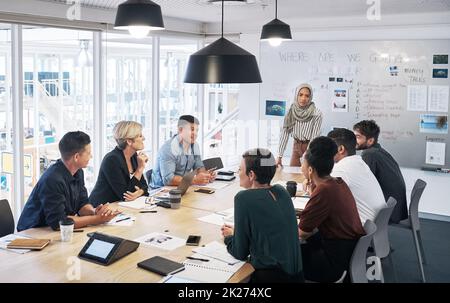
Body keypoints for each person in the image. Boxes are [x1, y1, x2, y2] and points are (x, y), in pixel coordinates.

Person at [221, 148, 303, 283]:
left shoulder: (243, 198)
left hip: (270, 279)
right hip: (297, 278)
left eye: (240, 169)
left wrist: (229, 238)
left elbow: (239, 252)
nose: (238, 172)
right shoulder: (281, 191)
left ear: (251, 175)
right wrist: (238, 233)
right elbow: (267, 230)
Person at [17, 131, 119, 231]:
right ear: (76, 157)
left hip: (54, 230)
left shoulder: (78, 172)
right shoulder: (52, 179)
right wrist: (97, 219)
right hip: (33, 232)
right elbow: (59, 223)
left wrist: (94, 212)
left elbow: (82, 204)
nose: (90, 156)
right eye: (88, 153)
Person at [298, 136, 365, 282]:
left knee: (283, 259)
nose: (300, 166)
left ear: (310, 170)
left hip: (334, 262)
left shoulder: (324, 191)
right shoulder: (337, 182)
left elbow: (302, 233)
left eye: (302, 163)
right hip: (347, 253)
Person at [353, 120, 408, 223]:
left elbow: (365, 183)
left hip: (388, 212)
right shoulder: (378, 151)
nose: (354, 140)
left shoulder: (369, 154)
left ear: (370, 141)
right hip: (396, 208)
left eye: (358, 137)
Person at [327, 128, 386, 224]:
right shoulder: (359, 163)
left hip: (361, 229)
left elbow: (322, 195)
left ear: (341, 149)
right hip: (373, 226)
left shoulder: (341, 169)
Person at [89, 121, 149, 207]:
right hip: (100, 208)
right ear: (129, 141)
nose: (144, 138)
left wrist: (139, 192)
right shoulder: (112, 159)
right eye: (140, 136)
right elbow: (125, 195)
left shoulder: (134, 156)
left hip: (119, 207)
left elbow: (145, 187)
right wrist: (140, 169)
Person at [150, 115, 215, 188]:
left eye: (197, 130)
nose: (195, 134)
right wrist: (195, 180)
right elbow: (168, 180)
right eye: (192, 129)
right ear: (180, 130)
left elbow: (199, 167)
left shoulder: (194, 145)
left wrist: (206, 176)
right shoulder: (168, 149)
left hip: (183, 187)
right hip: (161, 191)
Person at [277, 83, 323, 167]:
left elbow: (314, 137)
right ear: (296, 95)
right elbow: (284, 134)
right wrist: (279, 156)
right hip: (296, 146)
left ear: (310, 97)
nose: (303, 98)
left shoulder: (316, 113)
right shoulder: (290, 112)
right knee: (292, 174)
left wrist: (306, 155)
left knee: (307, 177)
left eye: (307, 96)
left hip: (310, 147)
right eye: (300, 95)